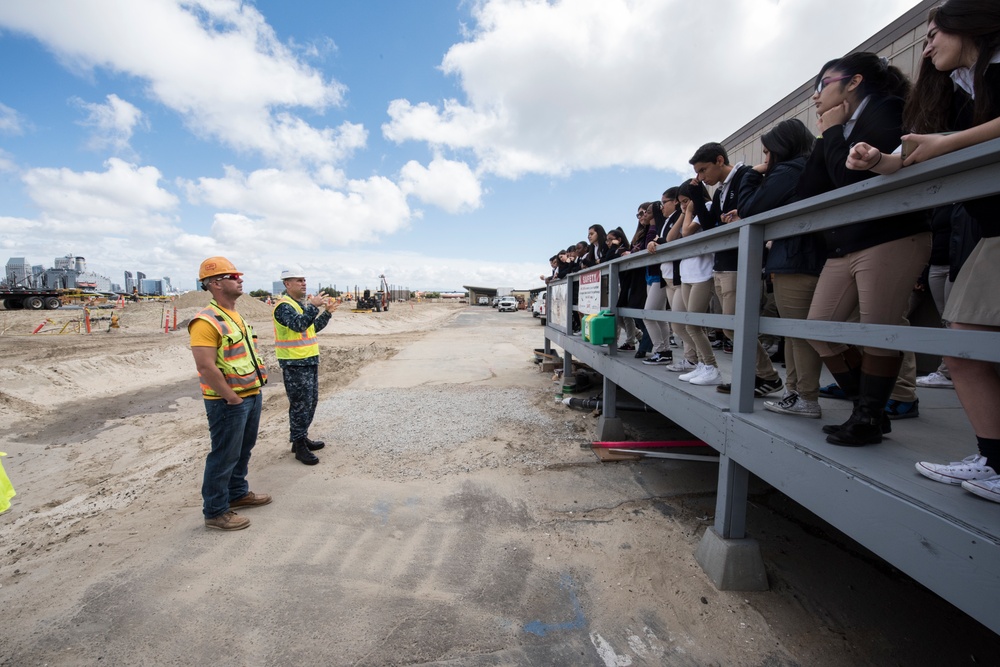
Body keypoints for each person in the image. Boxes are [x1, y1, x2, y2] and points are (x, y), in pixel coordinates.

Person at [847, 0, 1000, 499]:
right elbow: (918, 155)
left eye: (935, 33)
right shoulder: (959, 89)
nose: (927, 44)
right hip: (990, 228)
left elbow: (945, 145)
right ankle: (994, 459)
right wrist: (879, 160)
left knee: (964, 342)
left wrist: (948, 144)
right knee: (965, 341)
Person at [800, 51, 931, 446]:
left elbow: (847, 179)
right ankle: (867, 407)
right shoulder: (839, 127)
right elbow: (809, 189)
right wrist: (827, 134)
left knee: (877, 332)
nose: (816, 95)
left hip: (890, 235)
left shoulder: (889, 109)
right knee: (819, 329)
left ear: (853, 82)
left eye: (823, 84)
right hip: (847, 244)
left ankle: (869, 415)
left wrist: (836, 132)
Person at [736, 118, 827, 418]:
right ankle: (795, 392)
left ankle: (806, 397)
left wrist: (750, 175)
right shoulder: (809, 166)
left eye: (767, 153)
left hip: (796, 258)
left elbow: (751, 208)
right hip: (804, 258)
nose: (764, 160)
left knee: (798, 333)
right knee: (794, 332)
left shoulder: (790, 169)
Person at [690, 142, 783, 397]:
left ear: (720, 161)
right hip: (723, 264)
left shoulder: (746, 176)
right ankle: (755, 374)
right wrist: (698, 197)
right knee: (730, 325)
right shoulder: (719, 191)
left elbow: (754, 211)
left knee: (734, 326)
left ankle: (767, 376)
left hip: (741, 263)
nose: (701, 176)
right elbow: (710, 226)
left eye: (703, 170)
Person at [189, 257, 270, 531]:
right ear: (215, 283)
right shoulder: (205, 321)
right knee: (224, 455)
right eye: (232, 276)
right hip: (228, 401)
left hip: (250, 394)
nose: (240, 279)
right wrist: (231, 397)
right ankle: (215, 510)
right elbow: (205, 366)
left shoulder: (236, 316)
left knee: (242, 451)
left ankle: (236, 493)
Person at [273, 269, 338, 465]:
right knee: (300, 404)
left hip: (307, 361)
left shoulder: (298, 305)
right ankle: (298, 445)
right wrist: (313, 307)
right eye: (299, 280)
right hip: (294, 364)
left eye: (304, 280)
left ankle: (301, 438)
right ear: (287, 284)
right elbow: (298, 325)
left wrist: (326, 314)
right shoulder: (283, 306)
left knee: (310, 402)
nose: (303, 283)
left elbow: (311, 328)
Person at [674, 180, 723, 385]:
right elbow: (673, 237)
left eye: (686, 201)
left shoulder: (707, 207)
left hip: (703, 273)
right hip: (687, 274)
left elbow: (686, 233)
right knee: (691, 323)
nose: (684, 206)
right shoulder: (689, 214)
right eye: (681, 203)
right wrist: (687, 212)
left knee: (694, 324)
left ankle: (712, 367)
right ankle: (703, 365)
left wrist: (689, 211)